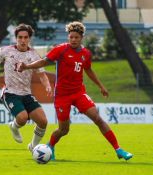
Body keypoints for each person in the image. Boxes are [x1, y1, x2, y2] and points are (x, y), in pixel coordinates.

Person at [17, 21, 133, 161]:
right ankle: (50, 146)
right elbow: (43, 62)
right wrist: (27, 66)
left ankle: (118, 150)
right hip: (62, 95)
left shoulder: (86, 54)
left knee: (98, 119)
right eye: (71, 37)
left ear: (81, 38)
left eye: (76, 37)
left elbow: (88, 70)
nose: (73, 40)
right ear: (68, 37)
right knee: (64, 130)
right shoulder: (61, 49)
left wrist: (101, 86)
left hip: (79, 93)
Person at [0, 24, 52, 152]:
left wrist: (47, 85)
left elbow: (42, 74)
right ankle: (14, 127)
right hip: (10, 93)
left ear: (29, 39)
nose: (23, 40)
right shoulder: (6, 51)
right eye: (20, 37)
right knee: (22, 118)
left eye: (26, 37)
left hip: (26, 94)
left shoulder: (34, 55)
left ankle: (33, 146)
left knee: (43, 121)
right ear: (16, 38)